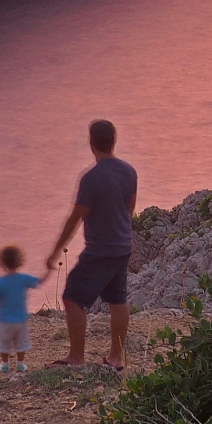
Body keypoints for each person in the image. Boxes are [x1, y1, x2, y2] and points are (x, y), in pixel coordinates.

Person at [46, 118, 137, 372]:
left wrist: (54, 251)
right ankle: (116, 357)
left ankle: (76, 356)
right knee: (118, 300)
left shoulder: (92, 178)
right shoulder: (129, 171)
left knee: (72, 297)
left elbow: (76, 217)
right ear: (114, 141)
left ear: (91, 143)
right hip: (122, 245)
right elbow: (130, 208)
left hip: (100, 249)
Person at [0, 246, 44, 374]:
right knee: (21, 343)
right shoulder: (23, 278)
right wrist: (49, 269)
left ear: (1, 262)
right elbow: (39, 282)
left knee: (4, 343)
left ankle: (5, 364)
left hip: (5, 320)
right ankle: (20, 364)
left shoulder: (0, 282)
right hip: (20, 319)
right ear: (19, 261)